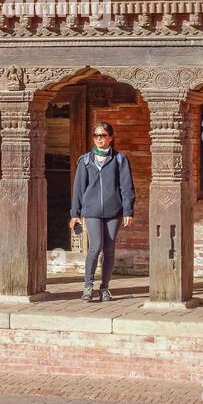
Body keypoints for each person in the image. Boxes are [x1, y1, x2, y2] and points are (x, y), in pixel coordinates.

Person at [68, 121, 135, 302]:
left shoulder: (120, 159)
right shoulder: (85, 160)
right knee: (95, 247)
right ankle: (88, 286)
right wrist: (75, 213)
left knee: (109, 249)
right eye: (96, 135)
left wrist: (128, 210)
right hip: (91, 211)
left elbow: (126, 187)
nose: (99, 139)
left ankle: (104, 288)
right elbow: (79, 188)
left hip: (114, 211)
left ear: (111, 138)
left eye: (103, 135)